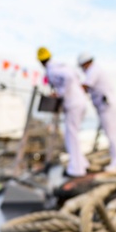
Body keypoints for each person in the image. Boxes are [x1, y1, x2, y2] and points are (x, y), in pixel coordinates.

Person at [37, 46, 89, 178]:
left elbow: (69, 78)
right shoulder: (61, 66)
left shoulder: (53, 70)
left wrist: (61, 93)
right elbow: (74, 76)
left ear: (41, 61)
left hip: (73, 104)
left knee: (71, 136)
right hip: (79, 102)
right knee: (73, 135)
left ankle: (76, 169)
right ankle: (82, 164)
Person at [78, 53, 116, 173]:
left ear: (85, 63)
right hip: (109, 107)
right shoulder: (96, 69)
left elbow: (85, 86)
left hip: (108, 107)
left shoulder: (93, 70)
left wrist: (70, 90)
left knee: (114, 136)